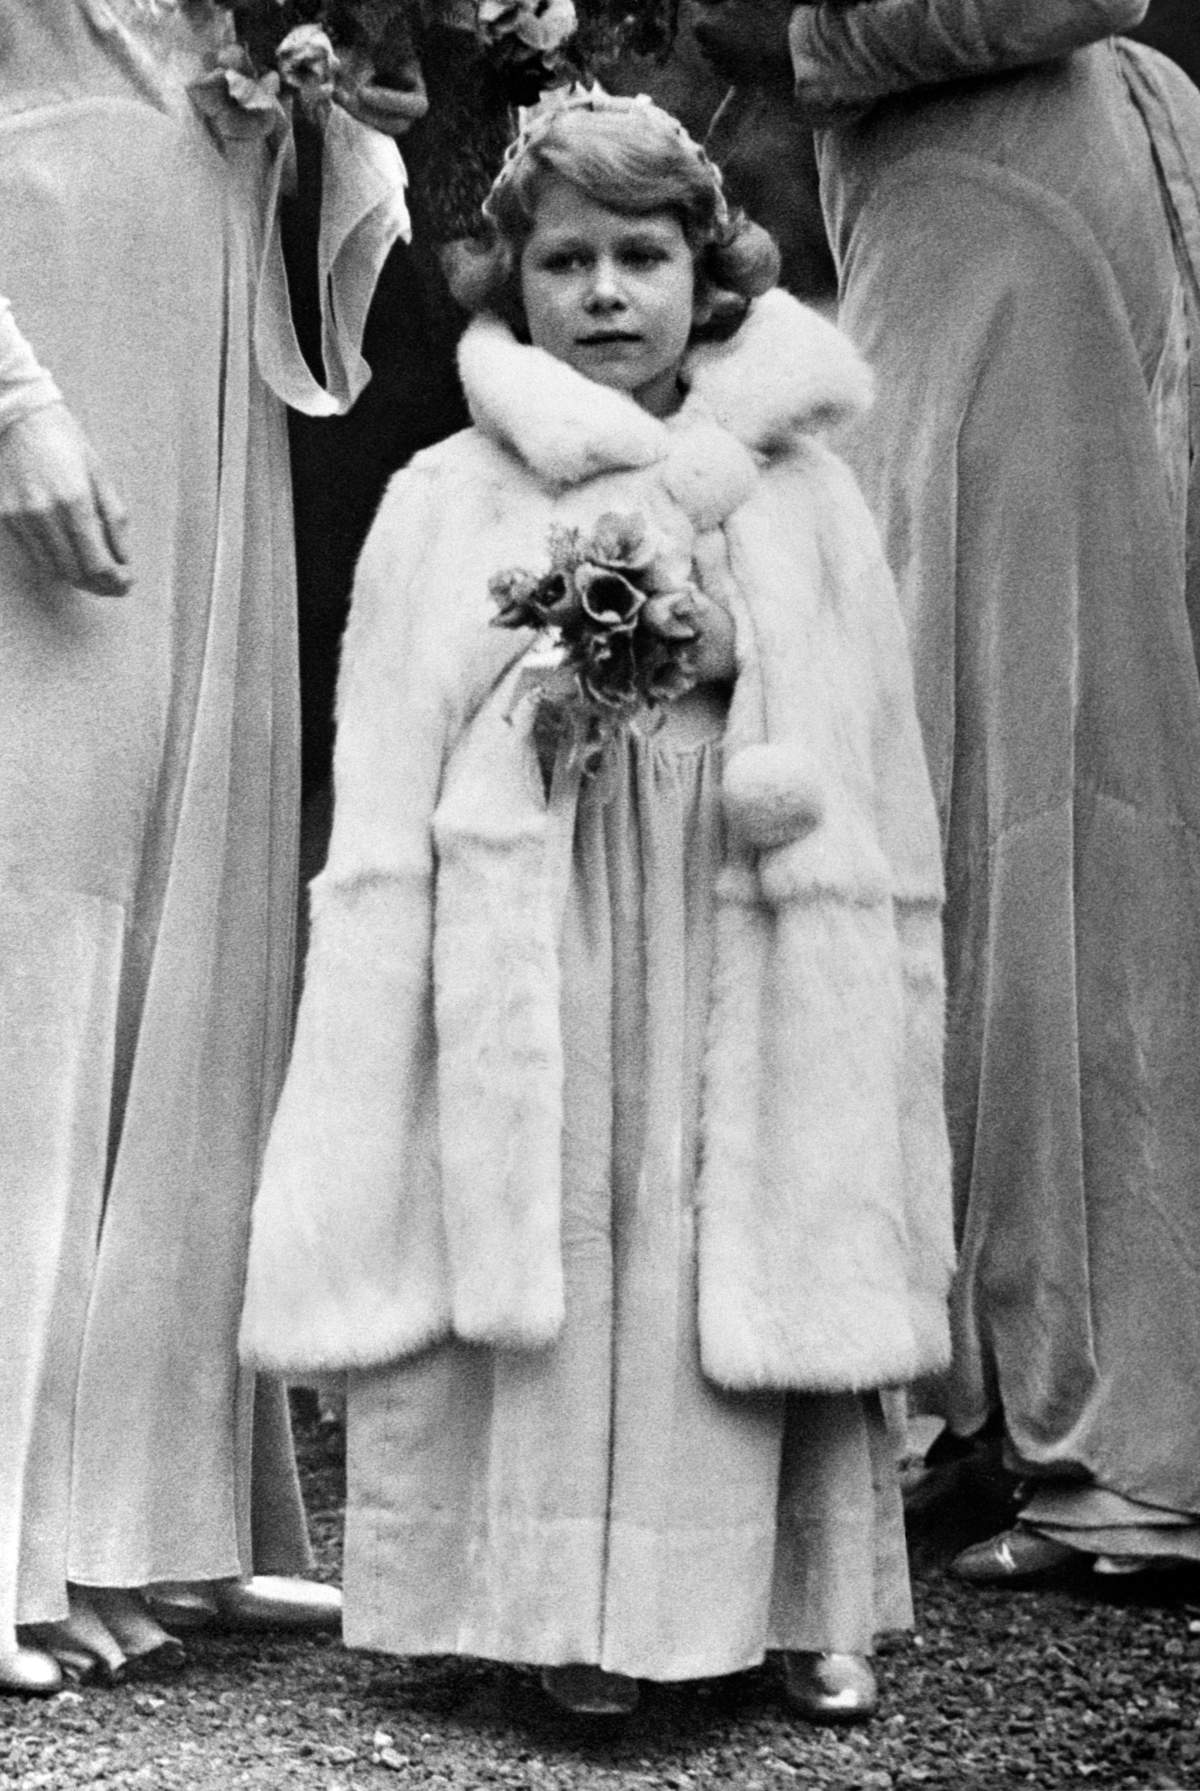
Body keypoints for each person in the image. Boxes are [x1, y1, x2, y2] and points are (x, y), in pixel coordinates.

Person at [239, 85, 953, 1723]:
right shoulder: (446, 493)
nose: (608, 294)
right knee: (560, 1221)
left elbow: (868, 736)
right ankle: (552, 1600)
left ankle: (801, 1597)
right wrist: (540, 673)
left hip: (737, 898)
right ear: (514, 280)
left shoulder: (800, 486)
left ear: (710, 274)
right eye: (567, 262)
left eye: (644, 257)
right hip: (533, 912)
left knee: (735, 1227)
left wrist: (737, 650)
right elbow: (390, 759)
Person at [692, 0, 1200, 1580]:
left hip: (1015, 230)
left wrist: (804, 37)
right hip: (934, 228)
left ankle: (1122, 1437)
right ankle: (981, 1388)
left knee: (1054, 792)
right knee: (938, 799)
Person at [0, 0, 414, 1695]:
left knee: (201, 889)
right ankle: (13, 1523)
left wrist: (322, 104)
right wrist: (9, 401)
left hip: (201, 335)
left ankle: (143, 1507)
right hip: (51, 305)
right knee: (42, 891)